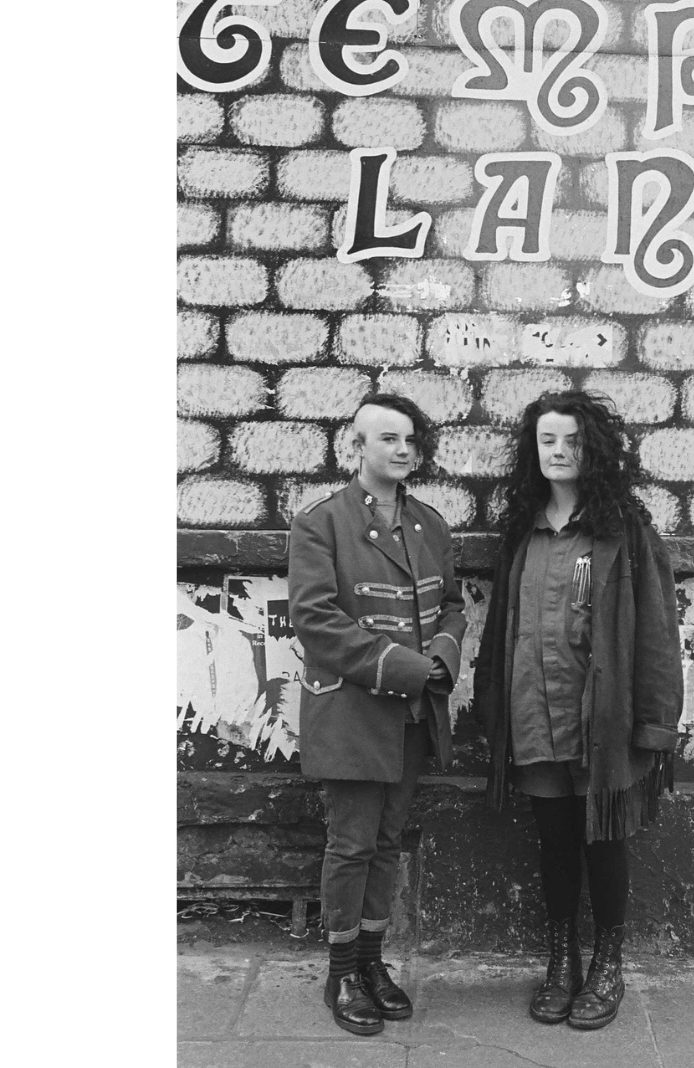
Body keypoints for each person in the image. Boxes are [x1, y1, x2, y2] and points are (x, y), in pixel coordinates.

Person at [473, 390, 683, 1030]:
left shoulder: (624, 533)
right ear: (532, 452)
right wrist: (491, 710)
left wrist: (654, 725)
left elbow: (656, 631)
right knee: (555, 842)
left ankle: (608, 963)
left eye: (571, 441)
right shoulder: (523, 531)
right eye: (547, 441)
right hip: (535, 716)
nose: (558, 452)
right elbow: (499, 627)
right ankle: (561, 960)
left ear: (593, 449)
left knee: (604, 842)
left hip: (603, 723)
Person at [288, 393, 466, 1036]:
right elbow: (316, 620)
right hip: (354, 712)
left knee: (387, 842)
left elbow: (452, 604)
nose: (401, 449)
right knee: (353, 843)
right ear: (355, 446)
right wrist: (410, 667)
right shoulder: (321, 523)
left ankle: (370, 961)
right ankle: (340, 973)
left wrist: (443, 654)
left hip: (415, 715)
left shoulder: (431, 523)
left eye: (410, 440)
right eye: (386, 438)